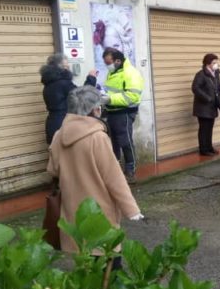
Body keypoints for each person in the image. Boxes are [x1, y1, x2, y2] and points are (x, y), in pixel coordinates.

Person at [46, 86, 144, 257]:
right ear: (95, 109)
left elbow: (52, 170)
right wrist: (132, 210)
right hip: (99, 214)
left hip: (72, 213)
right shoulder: (97, 137)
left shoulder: (58, 135)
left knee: (84, 270)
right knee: (109, 270)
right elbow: (114, 178)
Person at [102, 48, 145, 184]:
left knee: (125, 142)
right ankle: (115, 170)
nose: (107, 65)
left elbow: (132, 96)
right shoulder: (113, 72)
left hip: (124, 112)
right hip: (112, 112)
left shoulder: (131, 73)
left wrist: (109, 99)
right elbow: (110, 91)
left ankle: (130, 170)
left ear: (118, 61)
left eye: (109, 62)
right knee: (113, 142)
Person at [39, 53, 98, 145]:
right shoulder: (64, 83)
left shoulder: (48, 85)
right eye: (66, 66)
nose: (68, 68)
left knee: (57, 155)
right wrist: (91, 78)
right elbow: (83, 95)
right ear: (60, 68)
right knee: (71, 155)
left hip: (52, 123)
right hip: (64, 123)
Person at [192, 53, 220, 156]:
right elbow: (195, 88)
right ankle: (203, 149)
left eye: (217, 62)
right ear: (208, 64)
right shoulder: (201, 75)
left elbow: (216, 87)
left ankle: (209, 147)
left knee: (210, 128)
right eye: (214, 62)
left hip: (212, 106)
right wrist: (207, 98)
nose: (216, 64)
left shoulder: (215, 74)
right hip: (203, 107)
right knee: (204, 129)